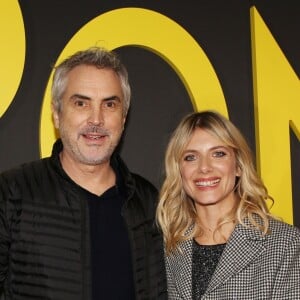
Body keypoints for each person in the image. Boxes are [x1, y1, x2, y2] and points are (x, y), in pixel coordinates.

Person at [0, 47, 167, 300]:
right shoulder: (12, 192)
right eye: (81, 103)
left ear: (123, 118)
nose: (96, 119)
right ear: (57, 114)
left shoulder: (148, 201)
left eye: (109, 104)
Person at [156, 110, 300, 299]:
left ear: (238, 166)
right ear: (179, 171)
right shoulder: (169, 248)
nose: (204, 167)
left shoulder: (285, 244)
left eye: (218, 154)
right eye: (191, 157)